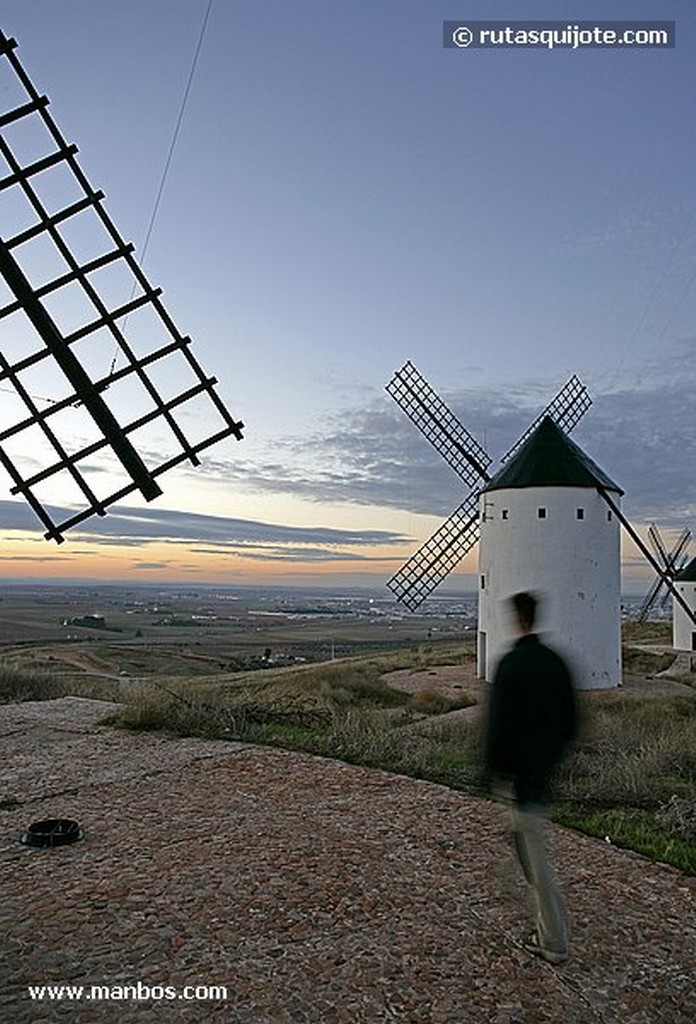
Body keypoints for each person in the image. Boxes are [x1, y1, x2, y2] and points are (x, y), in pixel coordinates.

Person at [483, 591, 578, 965]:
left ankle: (553, 940)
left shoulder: (513, 664)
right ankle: (542, 922)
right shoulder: (556, 662)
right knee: (527, 846)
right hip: (543, 772)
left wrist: (492, 770)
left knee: (536, 861)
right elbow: (571, 720)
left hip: (522, 780)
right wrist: (552, 757)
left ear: (516, 619)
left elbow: (499, 726)